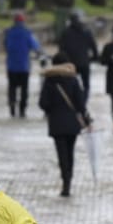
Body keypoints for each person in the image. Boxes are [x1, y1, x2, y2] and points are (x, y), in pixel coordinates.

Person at [39, 51, 90, 197]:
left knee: (61, 154)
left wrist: (52, 109)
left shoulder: (49, 81)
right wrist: (85, 117)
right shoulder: (73, 80)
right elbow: (80, 103)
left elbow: (43, 103)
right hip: (72, 124)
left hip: (56, 123)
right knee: (70, 152)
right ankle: (69, 180)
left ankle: (65, 181)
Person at [2, 12, 43, 119]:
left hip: (11, 66)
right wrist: (39, 53)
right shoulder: (27, 33)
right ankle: (22, 111)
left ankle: (12, 107)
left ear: (14, 21)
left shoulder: (9, 32)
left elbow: (6, 45)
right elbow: (35, 46)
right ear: (23, 21)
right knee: (24, 89)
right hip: (24, 67)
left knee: (12, 87)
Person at [57, 11, 98, 100]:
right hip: (84, 62)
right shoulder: (86, 31)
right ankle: (83, 102)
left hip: (70, 64)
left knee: (70, 84)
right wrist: (94, 58)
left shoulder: (65, 33)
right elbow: (93, 46)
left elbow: (61, 49)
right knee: (86, 85)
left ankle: (74, 102)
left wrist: (62, 62)